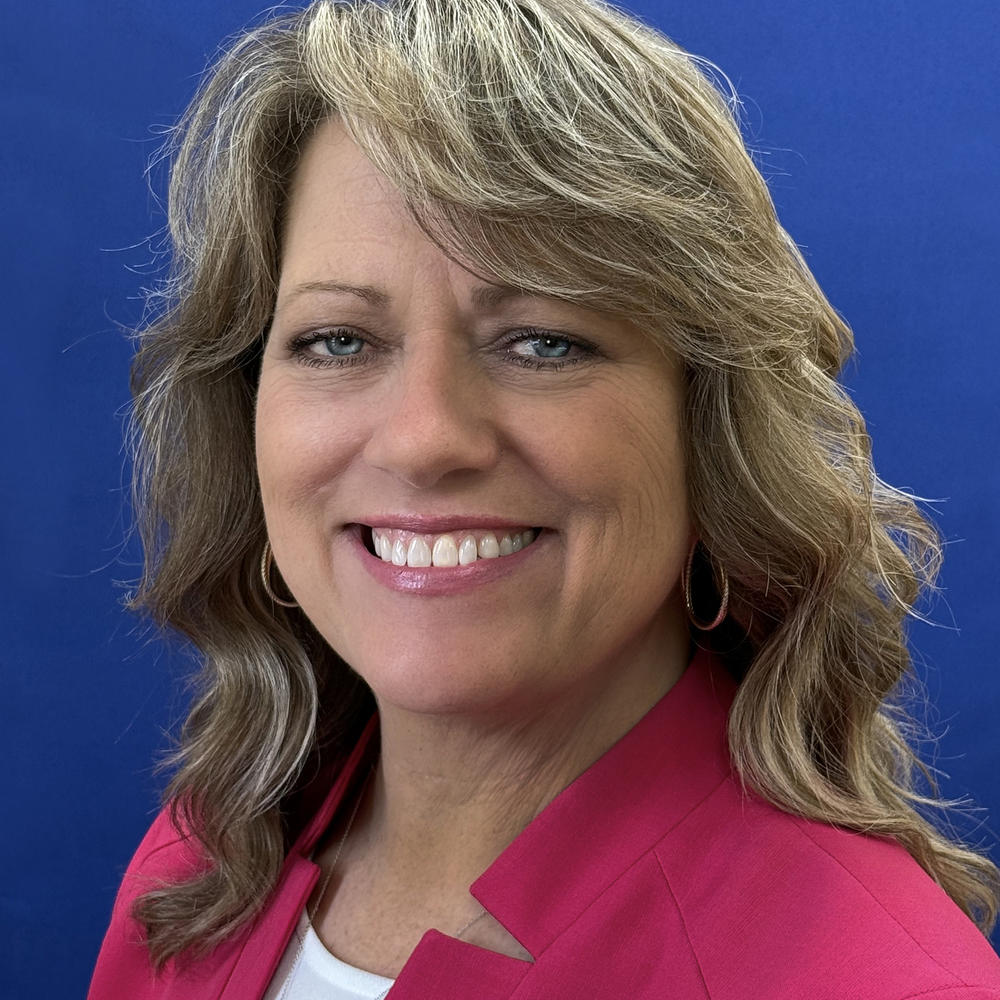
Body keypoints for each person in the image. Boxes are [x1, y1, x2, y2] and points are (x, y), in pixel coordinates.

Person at [88, 0, 1000, 997]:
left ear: (707, 427)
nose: (425, 438)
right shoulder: (207, 860)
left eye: (544, 340)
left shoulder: (867, 979)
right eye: (337, 340)